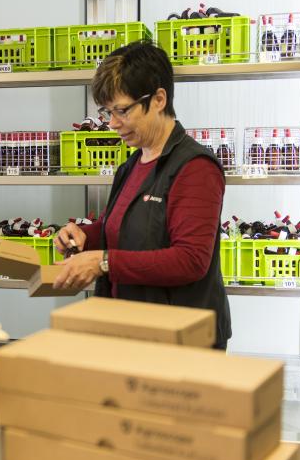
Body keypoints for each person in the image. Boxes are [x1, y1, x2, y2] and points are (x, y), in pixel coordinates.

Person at [52, 40, 231, 350]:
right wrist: (83, 237)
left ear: (159, 99)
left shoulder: (195, 168)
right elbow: (123, 228)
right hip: (132, 330)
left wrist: (104, 262)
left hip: (182, 340)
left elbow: (191, 260)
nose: (112, 123)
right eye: (107, 112)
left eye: (122, 110)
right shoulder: (133, 164)